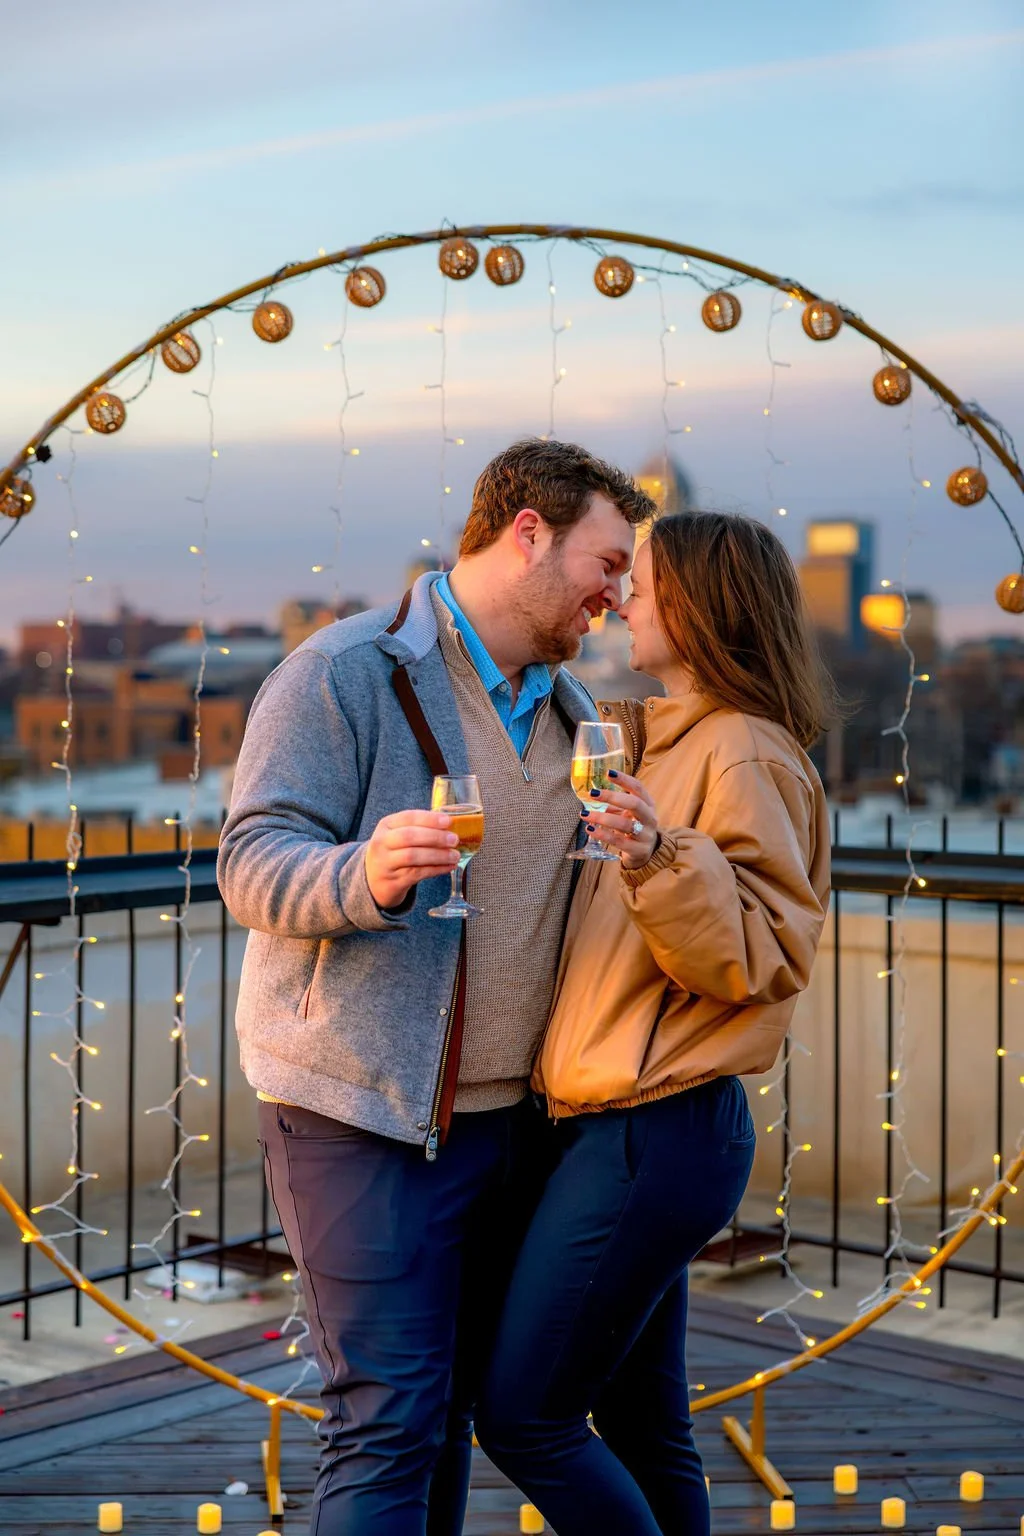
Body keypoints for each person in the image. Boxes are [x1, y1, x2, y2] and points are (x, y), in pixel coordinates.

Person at [216, 438, 654, 1535]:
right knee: (387, 1420)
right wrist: (360, 873)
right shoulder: (341, 673)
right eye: (607, 563)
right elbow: (250, 860)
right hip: (361, 1116)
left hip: (513, 1130)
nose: (620, 592)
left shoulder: (565, 715)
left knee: (450, 1412)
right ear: (526, 536)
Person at [474, 511, 835, 1536]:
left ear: (706, 606)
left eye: (647, 581)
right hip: (619, 1123)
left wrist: (656, 859)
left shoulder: (744, 755)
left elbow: (760, 956)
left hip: (654, 1128)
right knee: (641, 1420)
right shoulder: (661, 737)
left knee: (524, 1415)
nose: (624, 595)